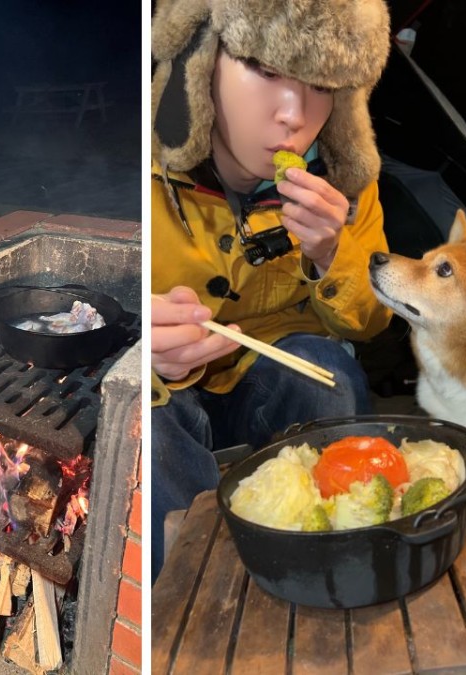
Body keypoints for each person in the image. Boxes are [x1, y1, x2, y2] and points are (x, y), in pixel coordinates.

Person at [149, 0, 393, 581]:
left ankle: (337, 566)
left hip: (262, 375)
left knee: (330, 377)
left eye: (319, 84)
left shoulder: (345, 185)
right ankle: (200, 592)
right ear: (201, 61)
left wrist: (332, 253)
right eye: (267, 69)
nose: (294, 114)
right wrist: (143, 341)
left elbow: (369, 324)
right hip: (164, 389)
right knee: (146, 427)